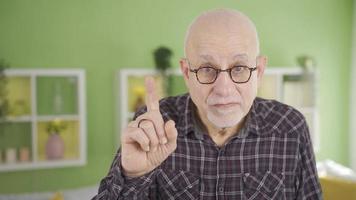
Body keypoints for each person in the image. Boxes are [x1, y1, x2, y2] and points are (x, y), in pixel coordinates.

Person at [92, 8, 322, 200]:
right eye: (206, 69)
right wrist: (132, 175)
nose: (223, 89)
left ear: (259, 71)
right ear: (186, 72)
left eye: (239, 68)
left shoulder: (291, 128)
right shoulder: (154, 127)